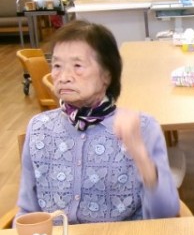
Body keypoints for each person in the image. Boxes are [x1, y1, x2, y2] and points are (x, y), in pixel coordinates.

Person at [16, 20, 180, 223]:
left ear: (106, 75)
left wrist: (140, 155)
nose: (63, 77)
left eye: (77, 66)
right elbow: (27, 210)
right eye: (57, 65)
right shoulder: (39, 128)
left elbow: (166, 214)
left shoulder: (142, 127)